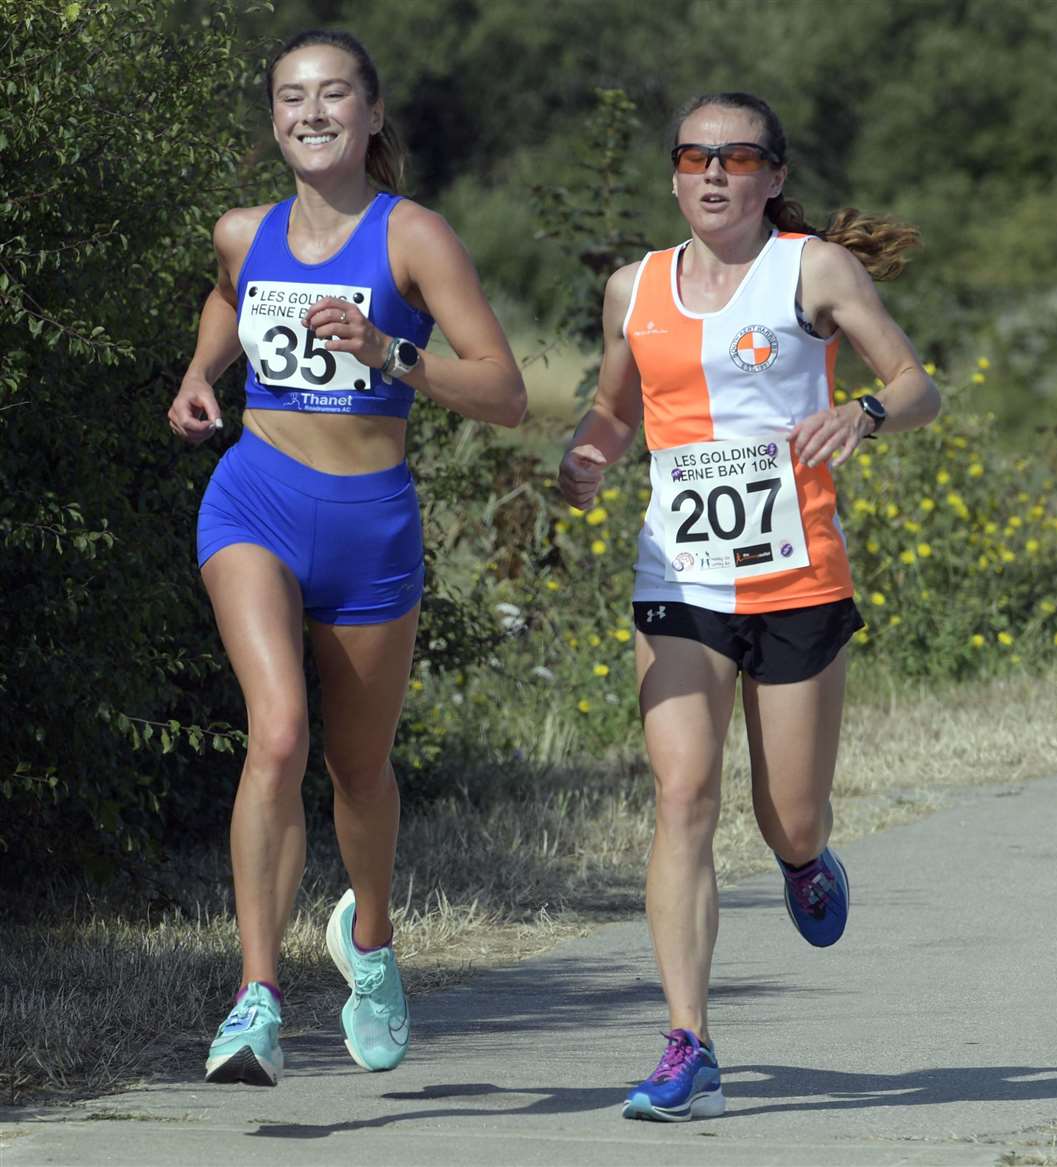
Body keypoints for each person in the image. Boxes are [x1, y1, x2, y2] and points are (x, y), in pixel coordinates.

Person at [558, 91, 940, 1122]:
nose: (713, 174)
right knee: (683, 797)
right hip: (679, 577)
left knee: (789, 812)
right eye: (695, 156)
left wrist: (862, 412)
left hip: (797, 577)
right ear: (675, 173)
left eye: (737, 158)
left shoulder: (811, 268)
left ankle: (805, 859)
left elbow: (916, 384)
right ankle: (690, 1042)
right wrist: (591, 449)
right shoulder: (631, 287)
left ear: (773, 177)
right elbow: (613, 401)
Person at [167, 28, 526, 1087]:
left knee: (356, 769)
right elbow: (232, 295)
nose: (311, 112)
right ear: (273, 117)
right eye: (291, 97)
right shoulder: (243, 230)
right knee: (275, 735)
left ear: (371, 116)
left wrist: (391, 354)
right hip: (256, 500)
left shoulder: (413, 236)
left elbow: (503, 391)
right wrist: (199, 373)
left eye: (333, 96)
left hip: (371, 524)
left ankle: (369, 945)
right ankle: (256, 998)